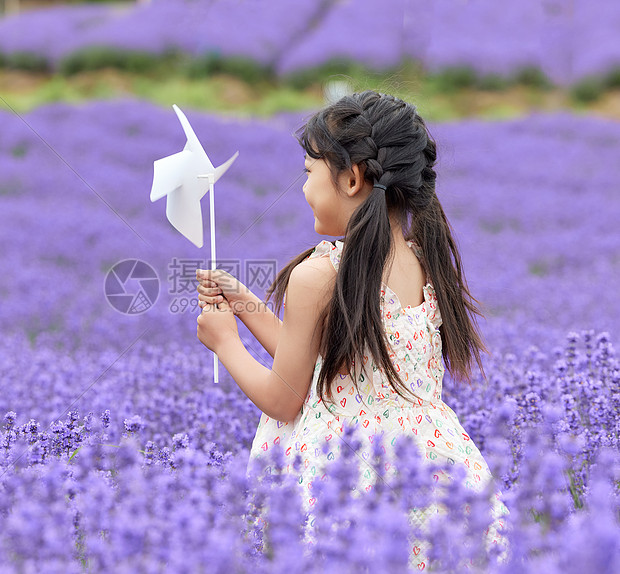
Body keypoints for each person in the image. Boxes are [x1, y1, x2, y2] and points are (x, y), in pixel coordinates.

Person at [194, 90, 507, 564]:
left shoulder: (319, 275)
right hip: (433, 473)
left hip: (348, 478)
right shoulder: (424, 263)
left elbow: (285, 396)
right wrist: (247, 304)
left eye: (308, 173)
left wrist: (226, 343)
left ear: (353, 177)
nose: (303, 189)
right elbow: (335, 369)